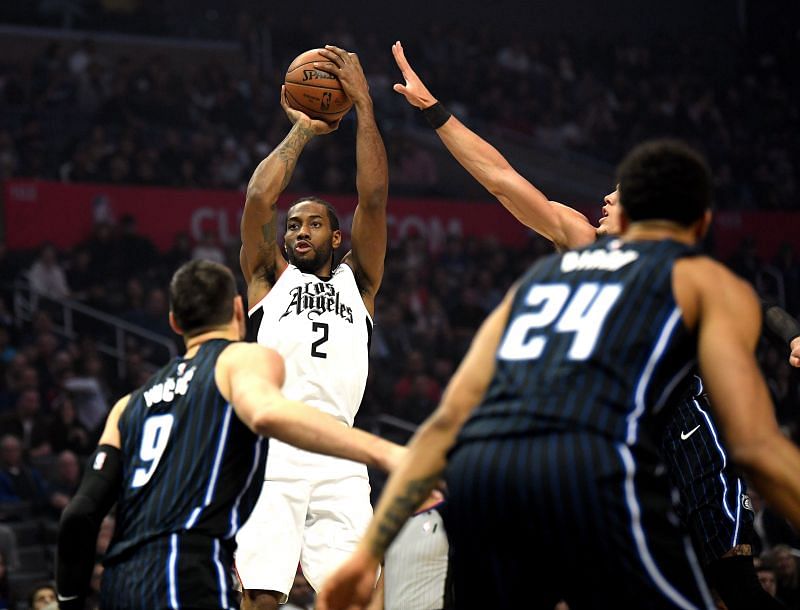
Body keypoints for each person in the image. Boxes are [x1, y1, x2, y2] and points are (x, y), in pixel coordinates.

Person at [389, 41, 800, 608]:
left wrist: (791, 335)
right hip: (616, 435)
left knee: (729, 585)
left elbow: (753, 305)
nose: (604, 198)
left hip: (685, 428)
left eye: (617, 194)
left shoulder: (679, 267)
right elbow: (502, 180)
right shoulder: (579, 242)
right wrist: (435, 111)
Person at [55, 260, 402, 610]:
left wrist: (69, 600)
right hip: (187, 571)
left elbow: (78, 515)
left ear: (174, 321)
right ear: (239, 310)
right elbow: (269, 414)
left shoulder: (127, 405)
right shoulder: (239, 361)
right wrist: (385, 453)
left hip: (121, 584)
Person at [235, 44, 389, 610]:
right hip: (275, 443)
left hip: (342, 453)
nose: (298, 231)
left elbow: (373, 197)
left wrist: (365, 107)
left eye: (314, 223)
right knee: (261, 595)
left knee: (362, 598)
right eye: (293, 225)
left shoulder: (361, 284)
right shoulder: (268, 280)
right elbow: (257, 196)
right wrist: (302, 130)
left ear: (336, 237)